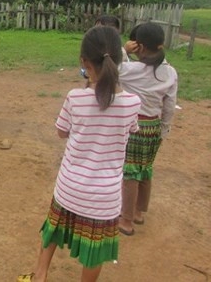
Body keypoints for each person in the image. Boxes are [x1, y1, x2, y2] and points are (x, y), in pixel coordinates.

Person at [17, 26, 141, 282]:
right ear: (118, 60)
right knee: (95, 253)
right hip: (104, 198)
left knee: (52, 230)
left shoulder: (75, 97)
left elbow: (62, 132)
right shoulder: (133, 102)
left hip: (69, 188)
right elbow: (129, 130)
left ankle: (39, 276)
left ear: (84, 62)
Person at [118, 22, 178, 235]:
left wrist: (124, 51)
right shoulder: (170, 72)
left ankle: (125, 220)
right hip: (154, 127)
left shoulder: (131, 70)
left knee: (130, 173)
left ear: (139, 47)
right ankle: (139, 212)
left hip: (134, 127)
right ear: (161, 46)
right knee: (145, 169)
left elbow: (114, 67)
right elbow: (169, 106)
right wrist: (164, 130)